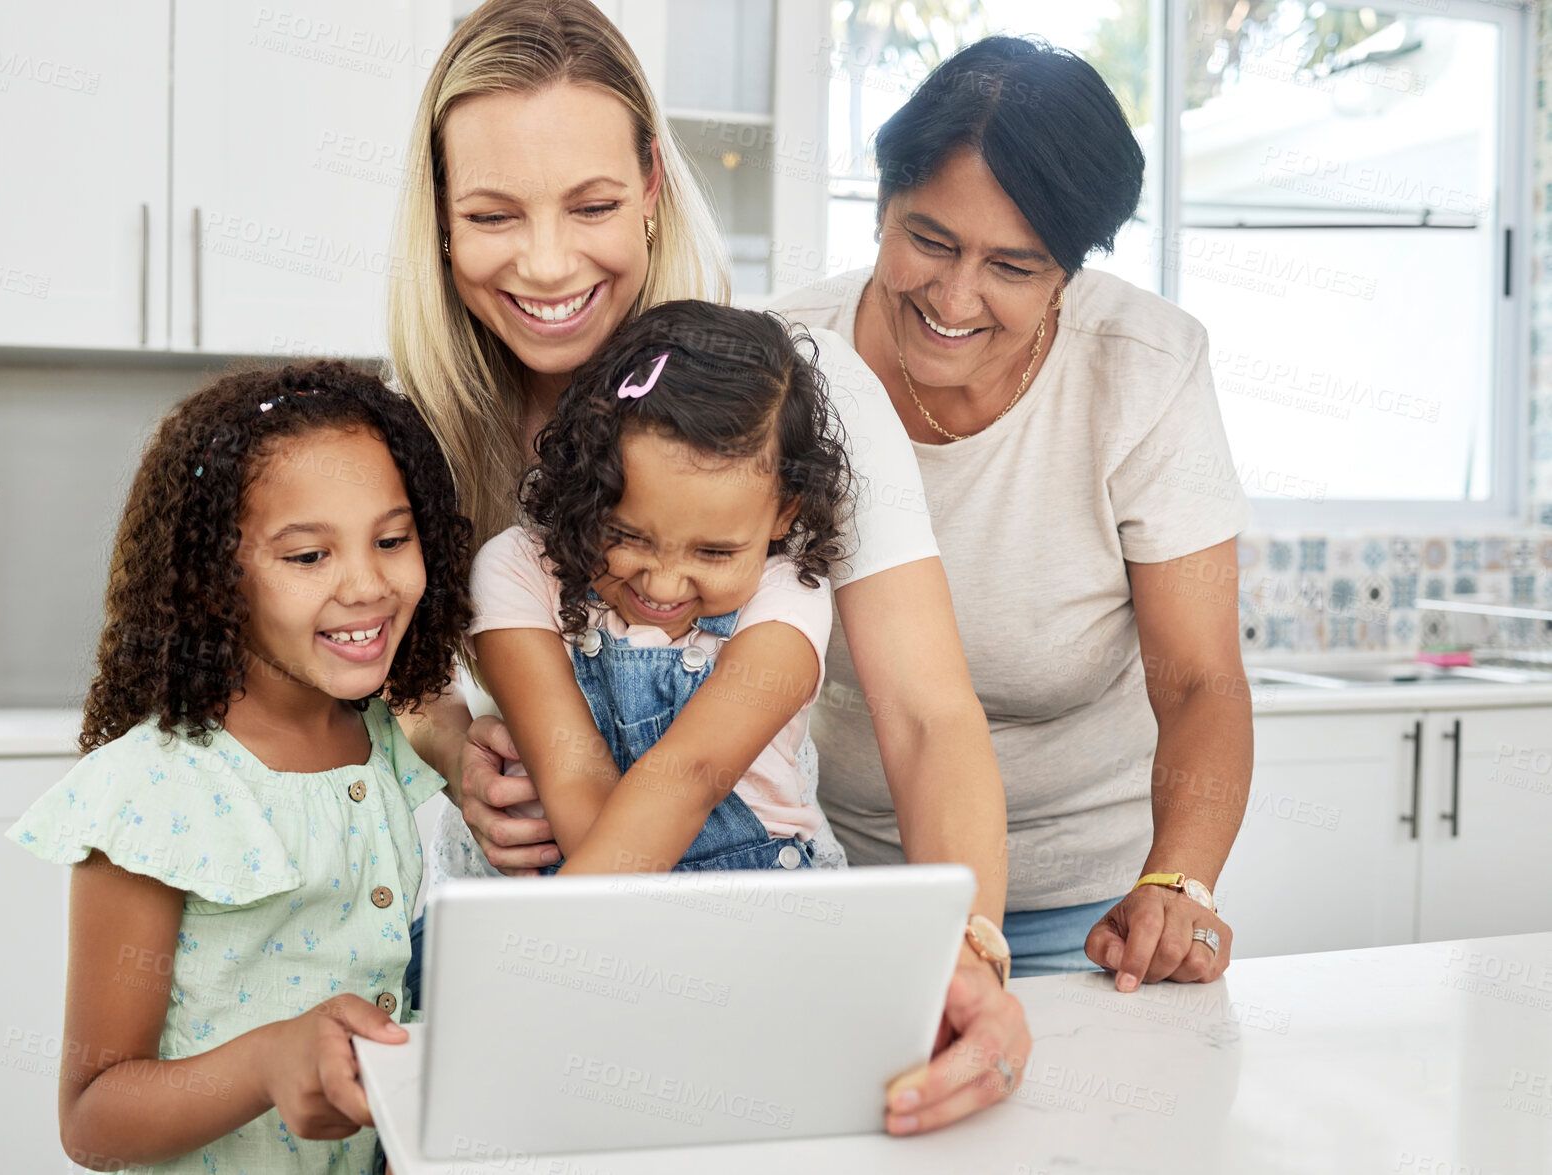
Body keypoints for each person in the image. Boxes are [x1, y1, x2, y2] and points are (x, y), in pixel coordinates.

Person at [387, 0, 1028, 1134]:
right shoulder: (416, 432)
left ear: (650, 182)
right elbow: (356, 678)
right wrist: (447, 741)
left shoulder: (793, 398)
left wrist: (970, 950)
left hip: (729, 937)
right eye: (492, 213)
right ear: (439, 219)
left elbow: (928, 714)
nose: (545, 262)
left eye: (590, 204)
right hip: (518, 931)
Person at [770, 36, 1254, 991]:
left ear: (1070, 270)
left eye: (1014, 267)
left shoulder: (1143, 369)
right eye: (929, 240)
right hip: (839, 886)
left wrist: (1176, 881)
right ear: (879, 206)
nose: (954, 298)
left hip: (1090, 916)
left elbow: (1200, 679)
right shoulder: (781, 366)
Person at [6, 360, 474, 1173]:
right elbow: (91, 1119)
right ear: (214, 579)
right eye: (306, 557)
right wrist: (268, 1061)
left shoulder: (378, 740)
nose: (366, 584)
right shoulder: (153, 793)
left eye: (392, 540)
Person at [467, 300, 850, 878]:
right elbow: (571, 775)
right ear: (583, 486)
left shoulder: (788, 593)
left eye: (715, 552)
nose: (663, 584)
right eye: (626, 537)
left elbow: (691, 772)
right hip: (590, 874)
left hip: (755, 903)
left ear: (783, 514)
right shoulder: (518, 570)